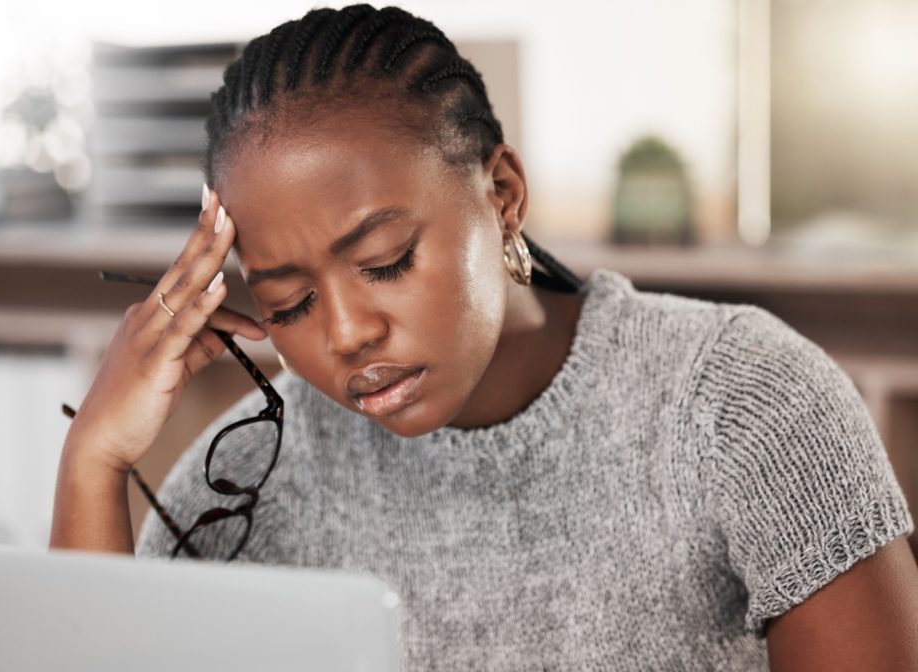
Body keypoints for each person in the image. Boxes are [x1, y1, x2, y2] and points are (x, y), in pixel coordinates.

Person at [50, 4, 918, 669]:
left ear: (502, 193)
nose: (347, 335)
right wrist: (92, 460)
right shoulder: (249, 482)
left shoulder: (743, 403)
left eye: (386, 261)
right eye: (288, 303)